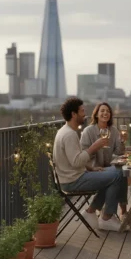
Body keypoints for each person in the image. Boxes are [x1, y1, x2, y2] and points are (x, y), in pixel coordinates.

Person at [53, 97, 124, 232]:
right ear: (74, 114)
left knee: (113, 173)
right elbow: (76, 162)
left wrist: (91, 168)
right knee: (118, 174)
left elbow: (74, 160)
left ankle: (92, 211)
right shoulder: (69, 135)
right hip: (73, 181)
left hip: (75, 176)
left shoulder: (66, 131)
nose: (84, 114)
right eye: (82, 111)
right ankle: (107, 218)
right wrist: (94, 147)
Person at [80, 102, 129, 220]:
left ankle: (97, 211)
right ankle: (113, 214)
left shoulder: (114, 130)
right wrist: (92, 164)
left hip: (106, 168)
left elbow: (119, 152)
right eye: (102, 111)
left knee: (120, 172)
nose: (105, 113)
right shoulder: (88, 131)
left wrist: (122, 142)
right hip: (91, 169)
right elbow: (83, 154)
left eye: (107, 111)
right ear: (96, 114)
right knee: (117, 175)